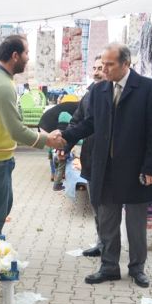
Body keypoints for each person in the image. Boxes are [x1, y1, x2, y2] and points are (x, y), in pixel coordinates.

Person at [61, 43, 152, 288]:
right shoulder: (98, 91)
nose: (104, 69)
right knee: (107, 220)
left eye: (109, 65)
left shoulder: (148, 88)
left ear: (126, 64)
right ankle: (108, 267)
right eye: (102, 64)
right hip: (104, 168)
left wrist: (150, 168)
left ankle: (137, 268)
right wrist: (65, 138)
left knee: (136, 223)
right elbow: (89, 124)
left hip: (136, 168)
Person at [0, 34, 64, 238]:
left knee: (2, 207)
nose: (28, 58)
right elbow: (15, 130)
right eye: (26, 53)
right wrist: (48, 140)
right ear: (15, 56)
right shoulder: (2, 85)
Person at [67, 55, 106, 257]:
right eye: (95, 67)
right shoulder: (89, 95)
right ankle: (102, 243)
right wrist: (65, 143)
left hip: (113, 162)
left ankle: (110, 246)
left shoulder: (120, 94)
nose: (97, 71)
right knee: (96, 203)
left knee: (110, 207)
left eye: (101, 67)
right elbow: (76, 122)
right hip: (90, 159)